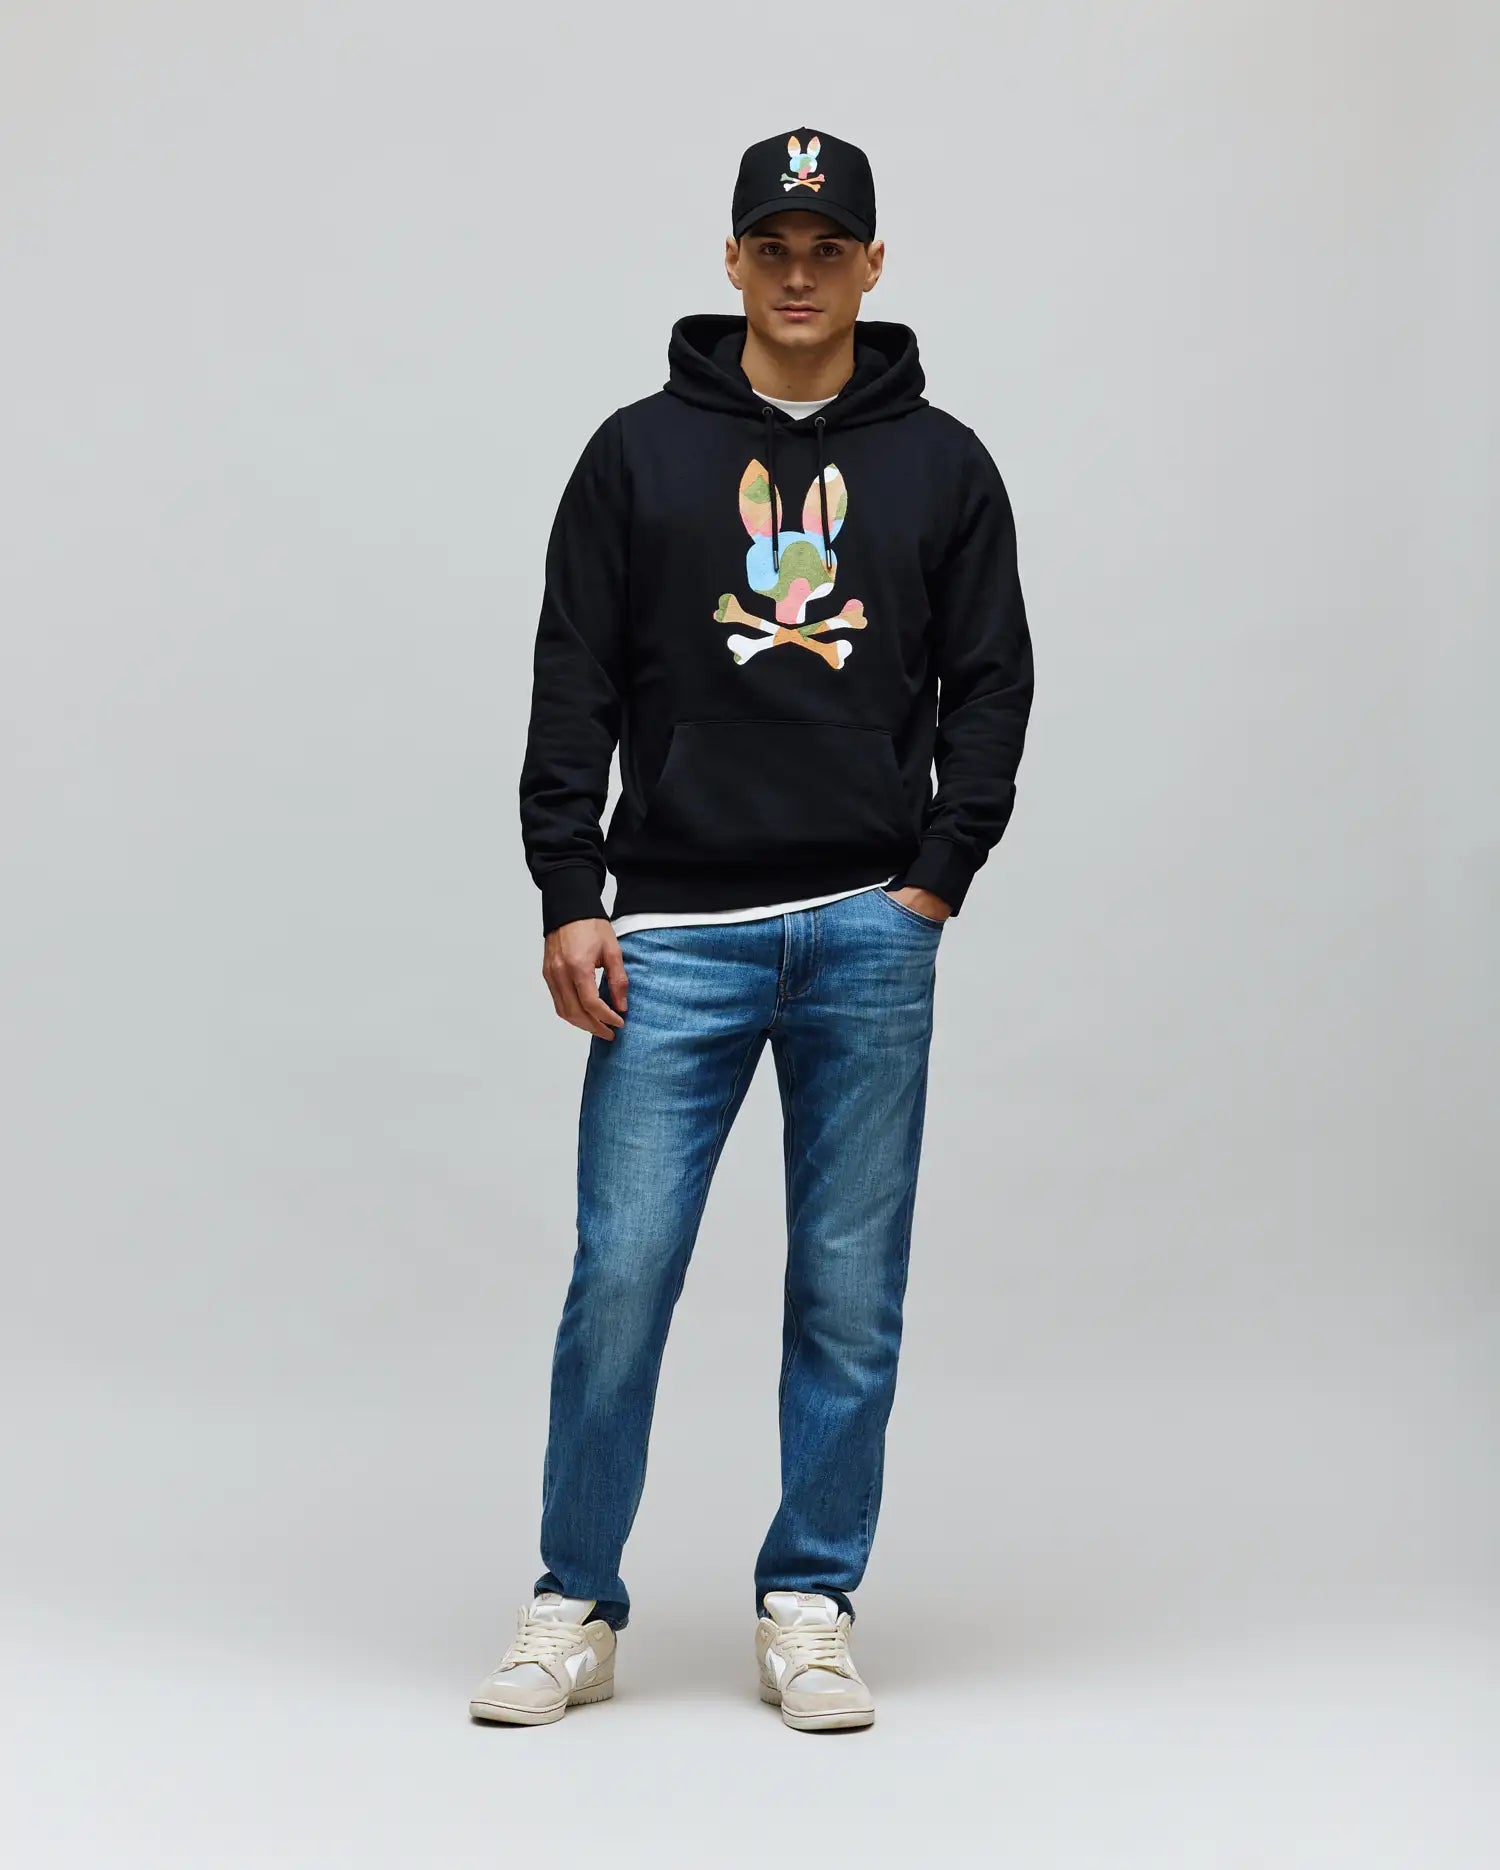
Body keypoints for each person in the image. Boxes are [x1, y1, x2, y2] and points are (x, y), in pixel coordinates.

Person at [470, 126, 1034, 1732]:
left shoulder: (944, 466)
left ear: (872, 262)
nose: (798, 273)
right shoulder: (637, 455)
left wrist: (936, 876)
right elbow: (574, 675)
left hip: (868, 927)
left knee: (849, 1286)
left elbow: (993, 679)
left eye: (826, 246)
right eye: (771, 245)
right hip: (674, 933)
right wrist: (570, 891)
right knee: (624, 1270)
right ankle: (576, 1601)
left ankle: (811, 1600)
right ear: (730, 259)